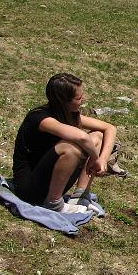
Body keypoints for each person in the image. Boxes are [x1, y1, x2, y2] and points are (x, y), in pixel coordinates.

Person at [12, 73, 117, 212]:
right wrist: (95, 158)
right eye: (79, 98)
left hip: (51, 181)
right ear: (63, 101)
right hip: (29, 188)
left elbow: (110, 128)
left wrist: (103, 160)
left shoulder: (69, 115)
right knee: (70, 148)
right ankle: (53, 204)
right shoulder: (40, 118)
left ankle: (80, 197)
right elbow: (81, 137)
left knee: (96, 137)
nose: (83, 99)